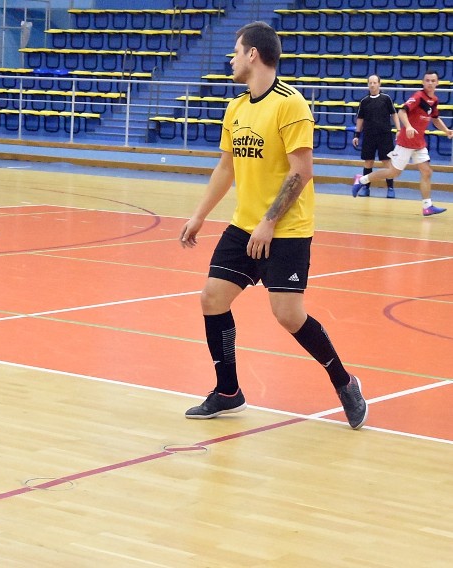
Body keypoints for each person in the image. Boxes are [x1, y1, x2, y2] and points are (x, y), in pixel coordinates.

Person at [178, 22, 367, 430]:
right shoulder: (236, 108)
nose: (230, 58)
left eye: (236, 50)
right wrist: (199, 215)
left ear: (253, 55)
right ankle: (228, 391)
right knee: (212, 298)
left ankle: (345, 382)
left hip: (286, 230)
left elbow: (302, 171)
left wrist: (269, 222)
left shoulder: (291, 104)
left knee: (287, 316)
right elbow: (226, 167)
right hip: (245, 226)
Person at [351, 70, 453, 216]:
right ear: (423, 82)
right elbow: (401, 112)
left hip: (419, 143)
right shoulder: (418, 97)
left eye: (433, 81)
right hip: (406, 141)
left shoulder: (434, 100)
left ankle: (427, 206)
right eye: (427, 80)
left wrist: (446, 130)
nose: (430, 83)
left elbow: (435, 118)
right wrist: (409, 126)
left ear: (437, 83)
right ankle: (361, 180)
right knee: (393, 172)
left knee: (426, 171)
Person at [351, 74, 400, 198]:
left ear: (379, 84)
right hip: (369, 135)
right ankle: (366, 188)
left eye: (375, 82)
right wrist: (357, 134)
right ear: (368, 85)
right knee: (368, 162)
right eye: (370, 83)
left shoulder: (386, 98)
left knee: (386, 162)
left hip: (385, 135)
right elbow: (360, 119)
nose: (372, 85)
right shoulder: (364, 101)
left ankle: (390, 188)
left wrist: (399, 129)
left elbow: (394, 114)